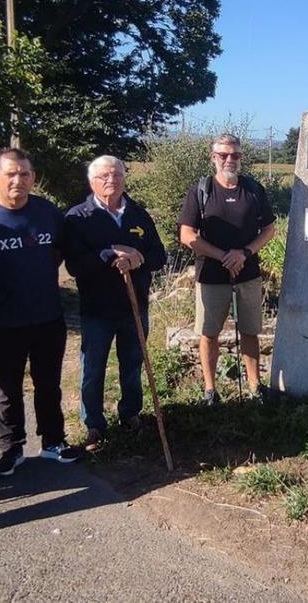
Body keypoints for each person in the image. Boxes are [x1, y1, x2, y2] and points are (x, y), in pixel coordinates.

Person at [0, 147, 83, 475]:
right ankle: (11, 449)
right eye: (11, 174)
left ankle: (53, 443)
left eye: (25, 174)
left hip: (47, 316)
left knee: (49, 384)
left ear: (32, 177)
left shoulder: (46, 212)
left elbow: (58, 249)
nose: (18, 180)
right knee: (7, 388)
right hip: (2, 321)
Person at [64, 155, 166, 452]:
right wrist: (108, 254)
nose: (112, 181)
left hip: (135, 306)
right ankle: (94, 425)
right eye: (104, 176)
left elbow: (159, 256)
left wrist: (139, 258)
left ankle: (130, 413)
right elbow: (74, 264)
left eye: (117, 175)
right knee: (93, 368)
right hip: (97, 309)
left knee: (132, 364)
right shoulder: (78, 217)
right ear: (92, 181)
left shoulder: (138, 214)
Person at [177, 134, 276, 406]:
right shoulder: (200, 190)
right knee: (209, 333)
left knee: (251, 331)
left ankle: (256, 387)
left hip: (247, 272)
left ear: (241, 157)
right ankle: (211, 391)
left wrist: (243, 253)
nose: (229, 160)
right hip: (210, 274)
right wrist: (223, 256)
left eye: (234, 155)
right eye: (223, 155)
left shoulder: (254, 190)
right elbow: (187, 235)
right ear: (213, 158)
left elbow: (269, 230)